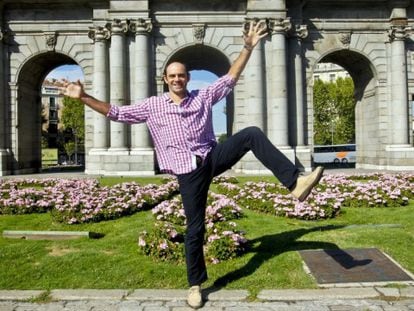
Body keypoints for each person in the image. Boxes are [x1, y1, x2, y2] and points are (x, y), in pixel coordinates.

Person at [60, 20, 324, 309]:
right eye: (172, 76)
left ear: (187, 78)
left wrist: (248, 48)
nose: (177, 79)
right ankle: (195, 285)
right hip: (187, 172)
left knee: (252, 134)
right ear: (165, 79)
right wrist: (84, 97)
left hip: (211, 157)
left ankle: (295, 183)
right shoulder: (153, 106)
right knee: (195, 229)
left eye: (181, 75)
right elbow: (117, 113)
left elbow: (230, 78)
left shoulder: (202, 97)